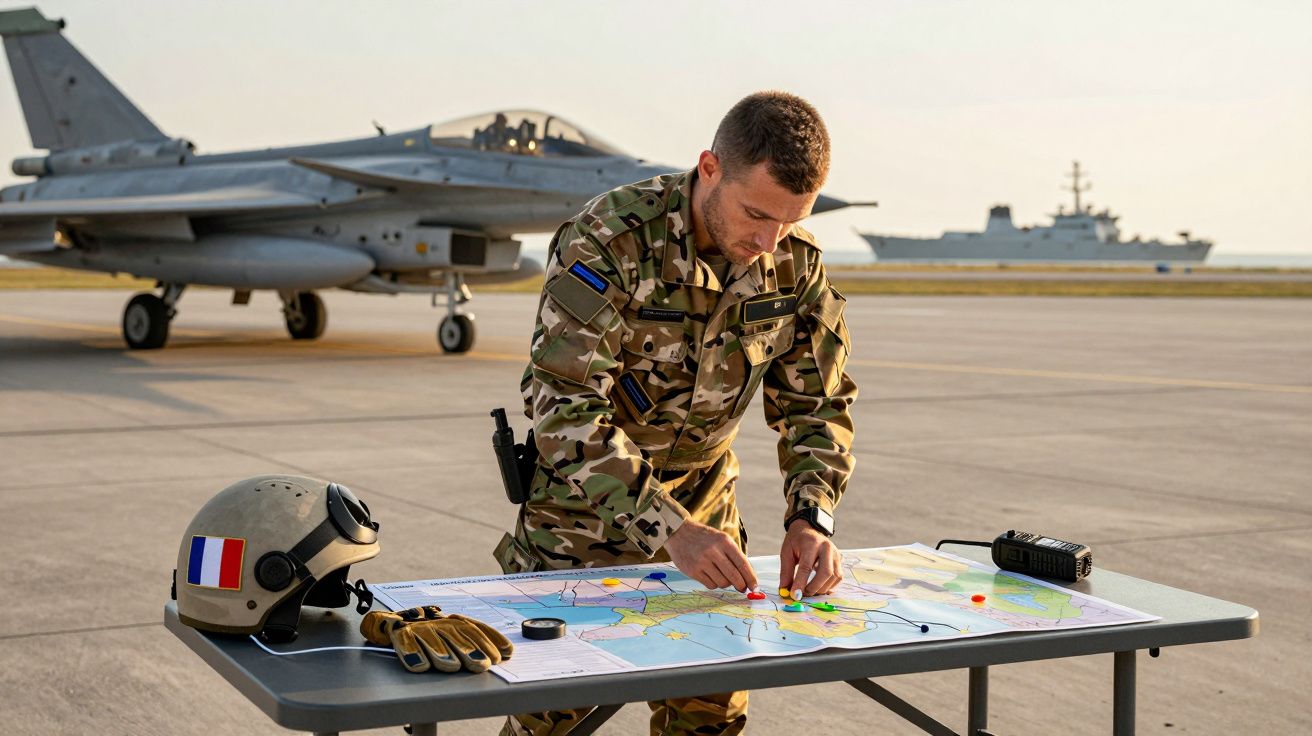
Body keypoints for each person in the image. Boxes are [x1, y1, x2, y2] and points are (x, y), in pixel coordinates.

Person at [493, 91, 856, 736]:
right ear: (709, 169)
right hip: (582, 524)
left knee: (708, 718)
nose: (767, 241)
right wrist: (670, 529)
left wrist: (812, 517)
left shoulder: (796, 264)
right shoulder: (611, 239)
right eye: (754, 215)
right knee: (548, 720)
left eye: (789, 222)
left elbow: (815, 406)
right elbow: (562, 409)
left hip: (710, 516)